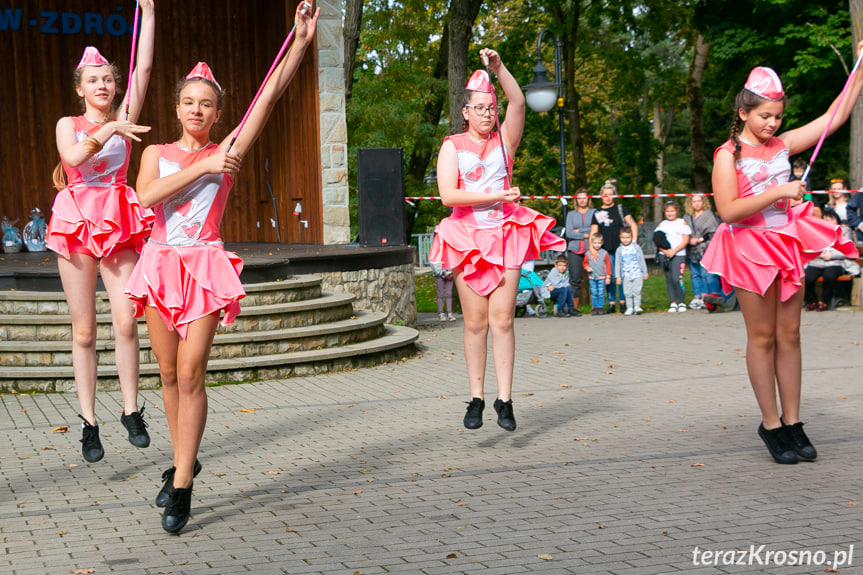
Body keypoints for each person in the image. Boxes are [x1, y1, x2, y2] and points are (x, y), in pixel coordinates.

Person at [125, 2, 319, 533]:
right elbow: (144, 198)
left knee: (191, 374)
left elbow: (271, 94)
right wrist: (204, 166)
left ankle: (183, 483)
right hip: (161, 263)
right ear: (178, 108)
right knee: (165, 374)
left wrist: (299, 42)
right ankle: (181, 459)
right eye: (188, 101)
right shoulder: (157, 153)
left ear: (216, 114)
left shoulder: (230, 148)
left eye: (206, 104)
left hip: (205, 266)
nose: (196, 110)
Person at [701, 63, 861, 465]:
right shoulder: (728, 155)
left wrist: (860, 70)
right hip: (748, 249)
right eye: (764, 116)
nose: (773, 123)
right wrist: (778, 192)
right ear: (743, 113)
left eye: (778, 116)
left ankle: (793, 421)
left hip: (784, 245)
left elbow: (834, 117)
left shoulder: (782, 145)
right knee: (763, 337)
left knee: (790, 334)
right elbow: (729, 210)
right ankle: (770, 423)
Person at [429, 49, 565, 433]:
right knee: (475, 323)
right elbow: (448, 197)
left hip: (505, 234)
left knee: (503, 320)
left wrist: (499, 69)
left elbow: (519, 101)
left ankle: (505, 400)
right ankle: (476, 398)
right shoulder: (452, 146)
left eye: (492, 107)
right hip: (466, 237)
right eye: (481, 107)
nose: (489, 113)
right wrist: (497, 196)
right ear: (465, 112)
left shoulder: (505, 141)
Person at [45, 1, 156, 463]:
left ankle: (131, 410)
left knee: (127, 320)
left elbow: (144, 66)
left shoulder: (124, 112)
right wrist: (111, 127)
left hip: (117, 215)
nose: (104, 85)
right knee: (85, 331)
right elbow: (73, 160)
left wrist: (148, 14)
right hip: (76, 220)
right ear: (80, 89)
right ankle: (89, 422)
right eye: (94, 80)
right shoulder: (67, 124)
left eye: (108, 79)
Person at [590, 180, 638, 313]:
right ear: (601, 196)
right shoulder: (597, 213)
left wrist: (634, 242)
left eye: (610, 194)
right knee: (609, 277)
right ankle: (611, 303)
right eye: (605, 194)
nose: (607, 197)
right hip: (605, 250)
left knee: (622, 276)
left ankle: (623, 302)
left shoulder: (621, 208)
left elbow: (633, 224)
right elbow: (593, 232)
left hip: (622, 249)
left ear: (614, 195)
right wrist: (592, 248)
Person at [803, 210, 856, 311]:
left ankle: (824, 302)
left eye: (831, 219)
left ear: (837, 220)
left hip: (835, 262)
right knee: (807, 277)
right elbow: (809, 246)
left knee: (829, 276)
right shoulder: (815, 231)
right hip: (817, 261)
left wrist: (832, 255)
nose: (828, 222)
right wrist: (819, 253)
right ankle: (812, 301)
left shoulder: (844, 230)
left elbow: (848, 249)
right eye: (825, 219)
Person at [683, 193, 720, 309]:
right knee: (694, 274)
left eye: (699, 201)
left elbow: (713, 232)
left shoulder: (709, 215)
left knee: (705, 274)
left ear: (703, 202)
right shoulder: (687, 217)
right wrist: (688, 240)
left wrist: (699, 239)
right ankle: (697, 297)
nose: (697, 203)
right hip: (691, 249)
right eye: (694, 201)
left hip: (706, 248)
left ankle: (706, 296)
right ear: (691, 203)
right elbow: (683, 231)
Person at [655, 201, 691, 312]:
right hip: (665, 255)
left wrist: (674, 251)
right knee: (669, 279)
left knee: (677, 278)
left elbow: (685, 240)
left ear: (677, 211)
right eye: (667, 211)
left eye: (672, 211)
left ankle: (681, 302)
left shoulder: (682, 223)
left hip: (678, 255)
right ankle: (673, 302)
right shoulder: (662, 225)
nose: (670, 213)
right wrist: (665, 251)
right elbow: (656, 240)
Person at [563, 188, 594, 316]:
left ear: (588, 199)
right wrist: (586, 234)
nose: (582, 200)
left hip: (590, 249)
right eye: (579, 198)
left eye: (584, 197)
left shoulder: (594, 213)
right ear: (576, 200)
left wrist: (579, 231)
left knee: (594, 277)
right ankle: (574, 308)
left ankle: (596, 307)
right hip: (574, 250)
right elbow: (569, 232)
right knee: (575, 279)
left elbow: (595, 230)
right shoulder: (571, 214)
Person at [614, 226, 648, 315]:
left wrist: (644, 272)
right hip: (626, 274)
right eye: (623, 238)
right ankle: (629, 307)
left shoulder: (636, 248)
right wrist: (618, 276)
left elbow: (642, 260)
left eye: (628, 237)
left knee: (637, 290)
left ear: (631, 237)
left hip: (637, 273)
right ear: (620, 238)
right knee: (627, 291)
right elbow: (617, 264)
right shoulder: (619, 250)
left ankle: (637, 306)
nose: (625, 240)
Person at [584, 233, 611, 315]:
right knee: (594, 292)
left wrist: (608, 276)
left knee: (601, 292)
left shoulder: (604, 253)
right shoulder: (588, 253)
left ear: (602, 243)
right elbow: (585, 263)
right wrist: (587, 267)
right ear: (591, 243)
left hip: (601, 276)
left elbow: (608, 265)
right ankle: (595, 307)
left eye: (599, 243)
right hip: (592, 276)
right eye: (595, 243)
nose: (597, 245)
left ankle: (600, 307)